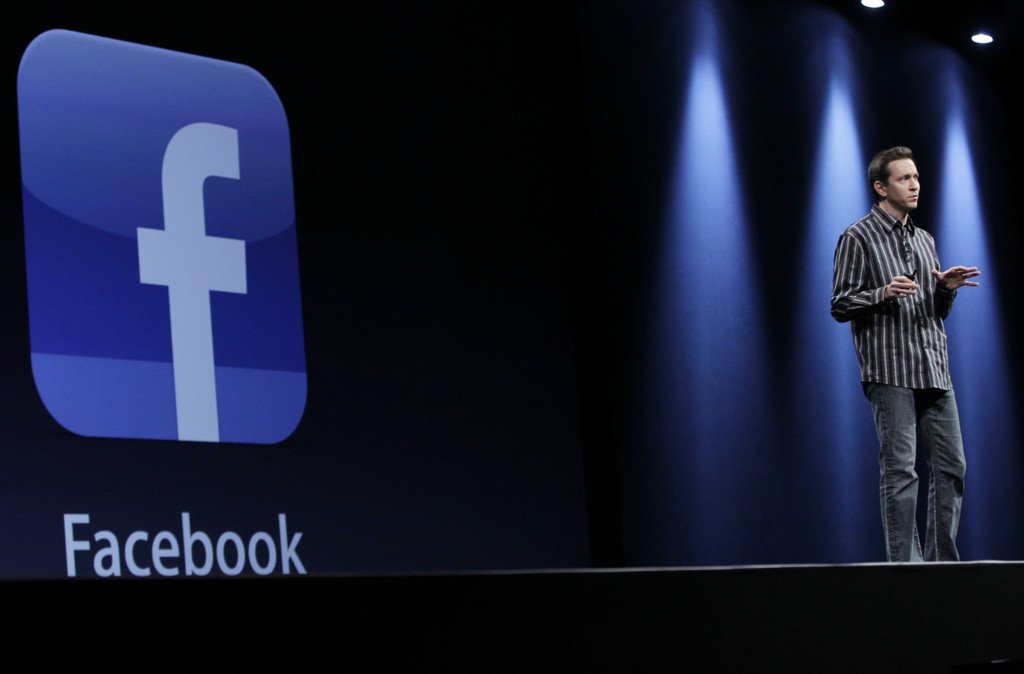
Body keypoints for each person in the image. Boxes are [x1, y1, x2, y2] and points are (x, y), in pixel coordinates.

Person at [830, 146, 980, 562]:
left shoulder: (924, 239)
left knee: (952, 467)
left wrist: (945, 290)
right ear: (881, 187)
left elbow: (935, 312)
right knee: (901, 472)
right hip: (890, 370)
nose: (915, 185)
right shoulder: (857, 237)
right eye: (904, 178)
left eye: (916, 177)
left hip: (933, 368)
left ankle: (941, 565)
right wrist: (882, 292)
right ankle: (907, 571)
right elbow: (840, 303)